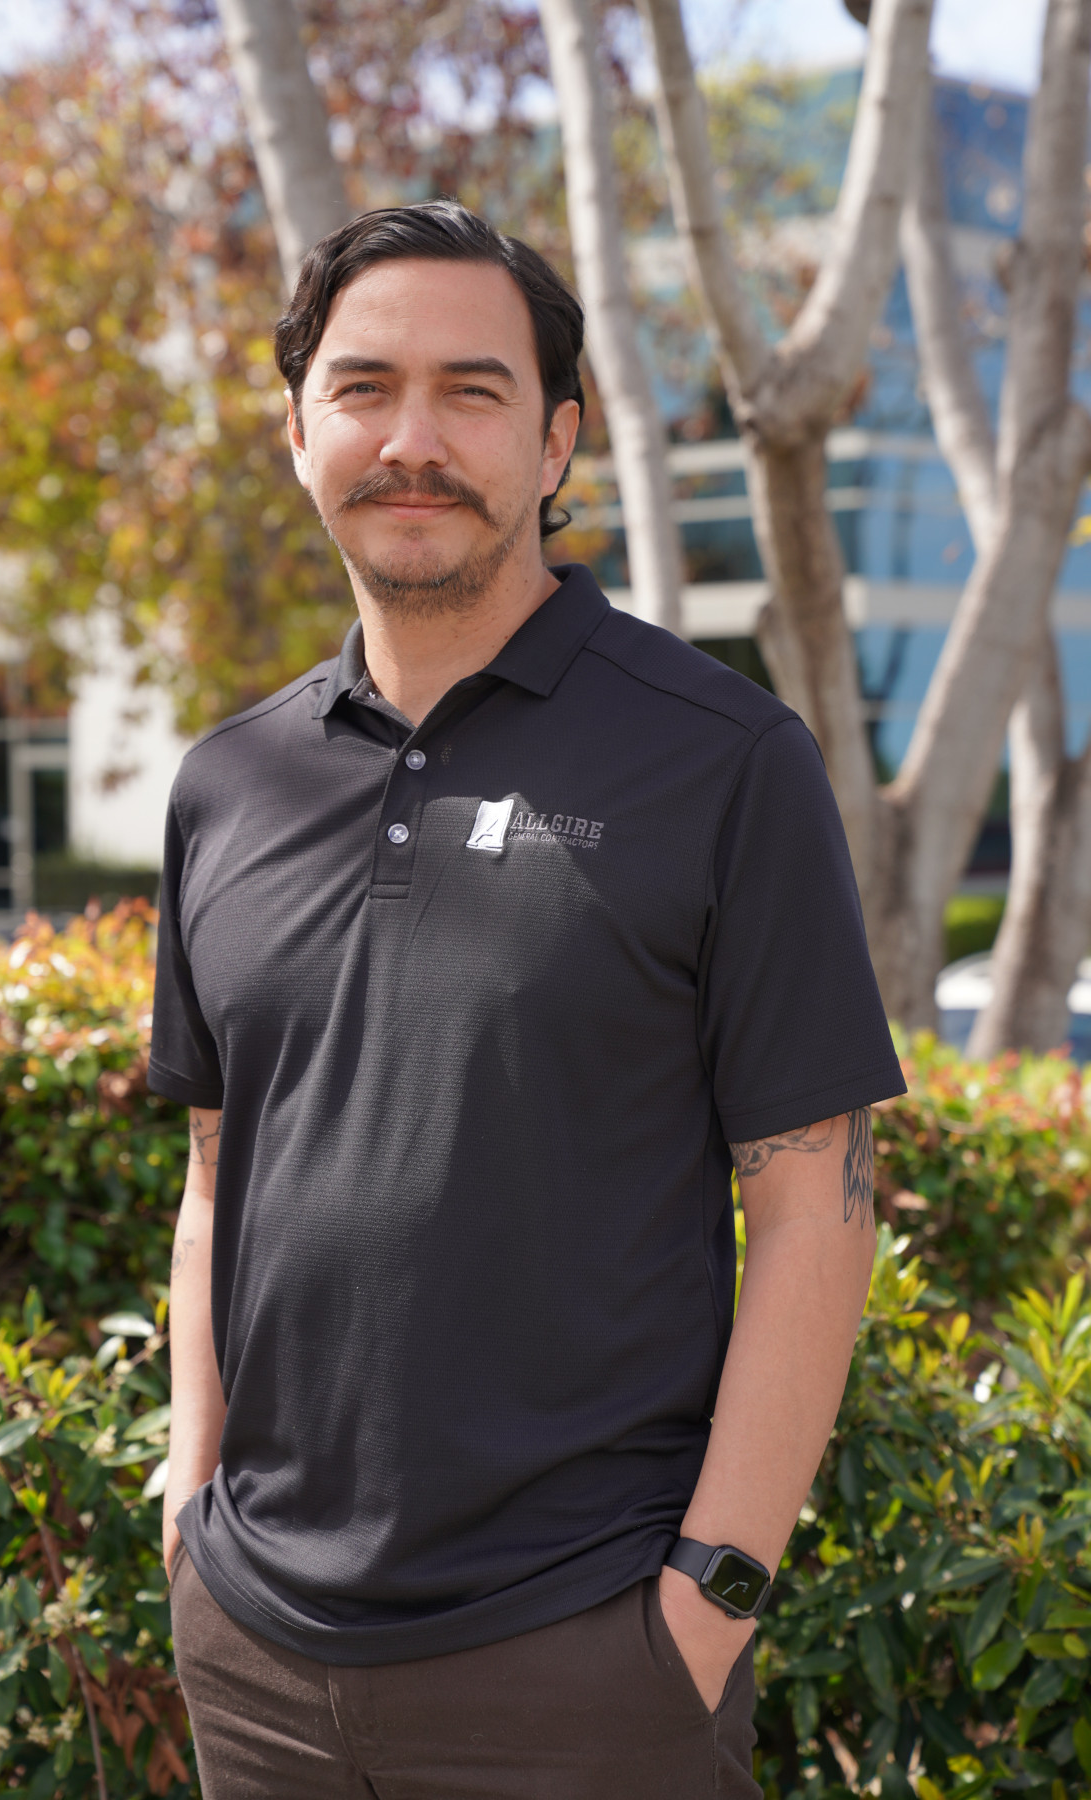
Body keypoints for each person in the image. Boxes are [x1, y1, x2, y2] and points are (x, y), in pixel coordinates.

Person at [149, 199, 906, 1799]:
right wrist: (186, 1498)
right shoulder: (226, 786)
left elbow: (816, 1209)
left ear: (557, 439)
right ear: (298, 430)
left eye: (471, 392)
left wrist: (709, 1604)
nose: (411, 440)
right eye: (364, 388)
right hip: (259, 1661)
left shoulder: (723, 761)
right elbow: (220, 1171)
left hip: (584, 1669)